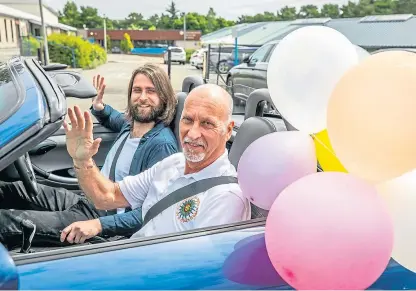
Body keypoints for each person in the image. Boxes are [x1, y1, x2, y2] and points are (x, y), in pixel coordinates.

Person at [0, 63, 178, 250]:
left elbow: (151, 213)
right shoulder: (130, 125)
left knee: (7, 223)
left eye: (151, 91)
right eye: (137, 90)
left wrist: (98, 226)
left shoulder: (162, 146)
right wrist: (99, 107)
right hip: (89, 200)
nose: (142, 97)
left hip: (101, 218)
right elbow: (111, 117)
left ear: (163, 97)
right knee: (12, 190)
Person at [61, 84, 250, 243]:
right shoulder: (173, 163)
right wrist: (82, 160)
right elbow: (107, 196)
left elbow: (194, 272)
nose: (192, 133)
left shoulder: (227, 198)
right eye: (188, 120)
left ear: (228, 130)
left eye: (207, 124)